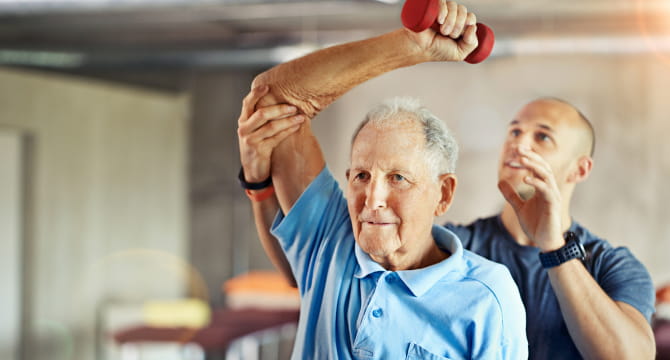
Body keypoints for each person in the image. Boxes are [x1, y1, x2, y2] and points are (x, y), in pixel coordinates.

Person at [240, 4, 657, 360]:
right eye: (513, 131)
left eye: (541, 136)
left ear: (579, 169)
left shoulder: (604, 266)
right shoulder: (433, 244)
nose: (519, 146)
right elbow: (303, 266)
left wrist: (552, 245)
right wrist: (413, 45)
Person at [237, 2, 528, 358]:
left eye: (398, 178)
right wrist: (412, 45)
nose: (372, 197)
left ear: (443, 193)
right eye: (361, 175)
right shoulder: (332, 240)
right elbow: (274, 97)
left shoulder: (486, 295)